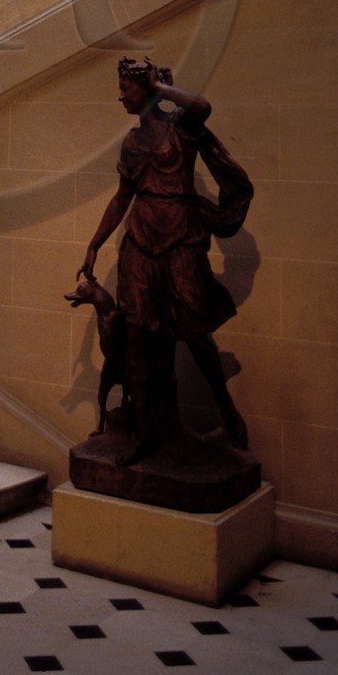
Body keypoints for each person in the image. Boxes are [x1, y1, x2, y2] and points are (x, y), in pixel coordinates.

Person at [77, 57, 252, 463]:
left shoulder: (180, 128)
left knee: (194, 330)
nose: (120, 96)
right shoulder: (131, 143)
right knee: (137, 337)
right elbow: (122, 198)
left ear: (147, 88)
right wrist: (94, 243)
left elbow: (203, 107)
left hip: (181, 237)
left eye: (127, 88)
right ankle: (143, 433)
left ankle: (226, 409)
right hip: (141, 240)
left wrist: (162, 89)